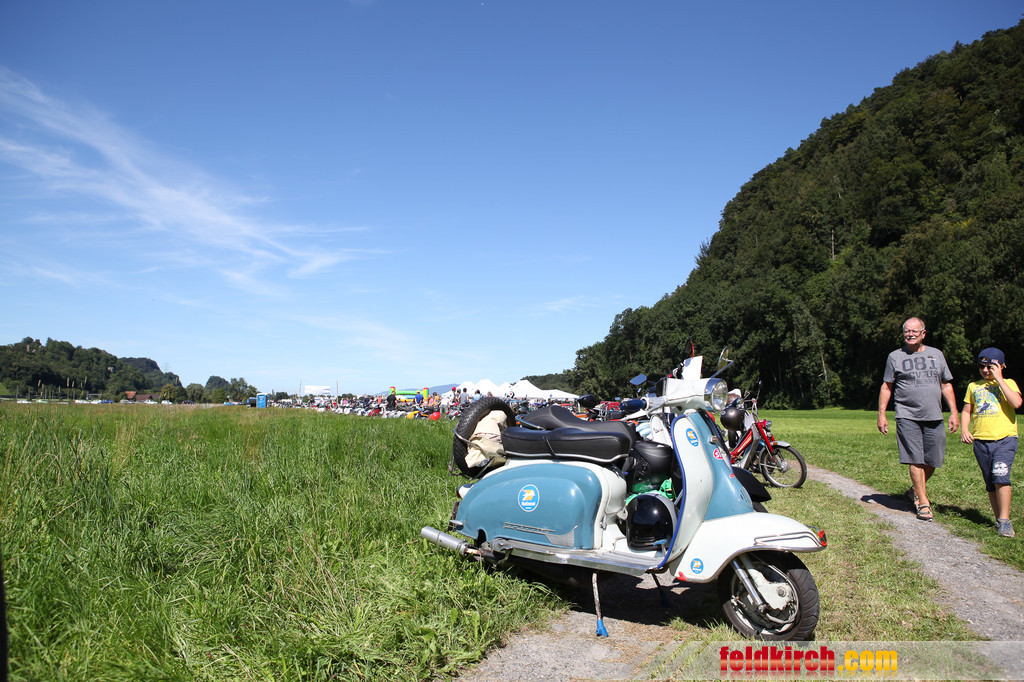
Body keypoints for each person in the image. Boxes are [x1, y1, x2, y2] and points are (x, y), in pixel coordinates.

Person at [877, 317, 959, 521]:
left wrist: (954, 412)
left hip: (934, 415)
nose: (910, 334)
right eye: (907, 331)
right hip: (907, 415)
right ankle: (923, 502)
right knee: (916, 459)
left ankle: (914, 490)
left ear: (923, 333)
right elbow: (887, 386)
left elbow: (946, 385)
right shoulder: (895, 357)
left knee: (934, 460)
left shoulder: (936, 355)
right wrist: (882, 414)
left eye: (914, 331)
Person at [960, 348, 1020, 538]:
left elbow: (1016, 403)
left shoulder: (1009, 383)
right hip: (981, 441)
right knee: (990, 482)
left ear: (1001, 366)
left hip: (1005, 439)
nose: (986, 370)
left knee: (1001, 476)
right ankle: (998, 520)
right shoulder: (973, 386)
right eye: (982, 366)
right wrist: (965, 430)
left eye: (990, 366)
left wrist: (999, 379)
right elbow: (967, 410)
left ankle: (1005, 520)